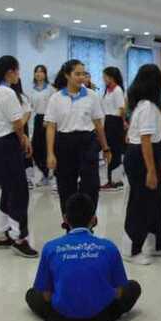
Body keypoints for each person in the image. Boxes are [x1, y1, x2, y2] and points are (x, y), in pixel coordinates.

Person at [26, 193, 141, 321]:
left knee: (32, 294)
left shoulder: (50, 248)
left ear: (65, 219)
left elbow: (46, 295)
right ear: (94, 219)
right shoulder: (109, 247)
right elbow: (118, 293)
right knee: (133, 287)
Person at [123, 64, 161, 264]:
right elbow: (145, 140)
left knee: (155, 201)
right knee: (140, 202)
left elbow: (154, 141)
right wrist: (151, 170)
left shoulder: (151, 105)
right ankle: (132, 249)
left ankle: (157, 245)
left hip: (150, 152)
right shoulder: (147, 107)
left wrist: (158, 163)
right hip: (140, 155)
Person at [0, 56, 37, 257]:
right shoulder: (7, 92)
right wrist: (23, 139)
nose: (18, 75)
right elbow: (17, 123)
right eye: (17, 71)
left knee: (8, 191)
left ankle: (2, 234)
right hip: (7, 145)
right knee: (19, 192)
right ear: (10, 71)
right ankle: (19, 238)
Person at [45, 59, 111, 216]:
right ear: (67, 75)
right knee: (66, 185)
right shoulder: (56, 98)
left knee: (91, 184)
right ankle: (69, 220)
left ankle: (88, 219)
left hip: (87, 143)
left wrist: (105, 147)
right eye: (77, 74)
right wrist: (50, 153)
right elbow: (51, 126)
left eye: (83, 74)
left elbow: (98, 124)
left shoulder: (92, 96)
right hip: (64, 143)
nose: (81, 77)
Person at [100, 67, 126, 192]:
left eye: (105, 76)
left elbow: (121, 109)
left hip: (115, 122)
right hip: (108, 121)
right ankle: (111, 179)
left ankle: (116, 181)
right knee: (109, 151)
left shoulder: (117, 90)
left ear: (111, 77)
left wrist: (121, 123)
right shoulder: (108, 90)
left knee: (115, 152)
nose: (103, 79)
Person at [28, 65, 55, 185]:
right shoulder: (32, 90)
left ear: (45, 74)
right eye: (36, 72)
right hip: (38, 119)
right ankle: (46, 172)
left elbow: (53, 106)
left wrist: (48, 119)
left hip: (49, 120)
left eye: (41, 72)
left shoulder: (50, 89)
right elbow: (30, 107)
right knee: (36, 149)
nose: (38, 74)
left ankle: (49, 175)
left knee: (47, 148)